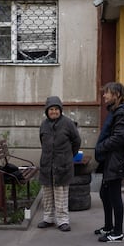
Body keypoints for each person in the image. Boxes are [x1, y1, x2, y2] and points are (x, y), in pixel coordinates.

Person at [94, 82, 124, 242]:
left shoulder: (121, 114)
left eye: (107, 93)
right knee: (105, 194)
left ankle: (118, 232)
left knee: (114, 196)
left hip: (116, 160)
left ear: (116, 95)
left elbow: (119, 137)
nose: (104, 95)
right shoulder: (116, 111)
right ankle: (108, 226)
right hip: (111, 159)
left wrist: (101, 146)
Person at [38, 96, 81, 232]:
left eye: (56, 109)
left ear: (60, 110)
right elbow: (42, 141)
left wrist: (68, 156)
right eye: (51, 109)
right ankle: (48, 218)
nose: (54, 112)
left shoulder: (68, 123)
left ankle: (62, 221)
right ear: (47, 111)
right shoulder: (44, 124)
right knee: (47, 193)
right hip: (47, 164)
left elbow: (76, 141)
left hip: (62, 164)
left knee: (60, 193)